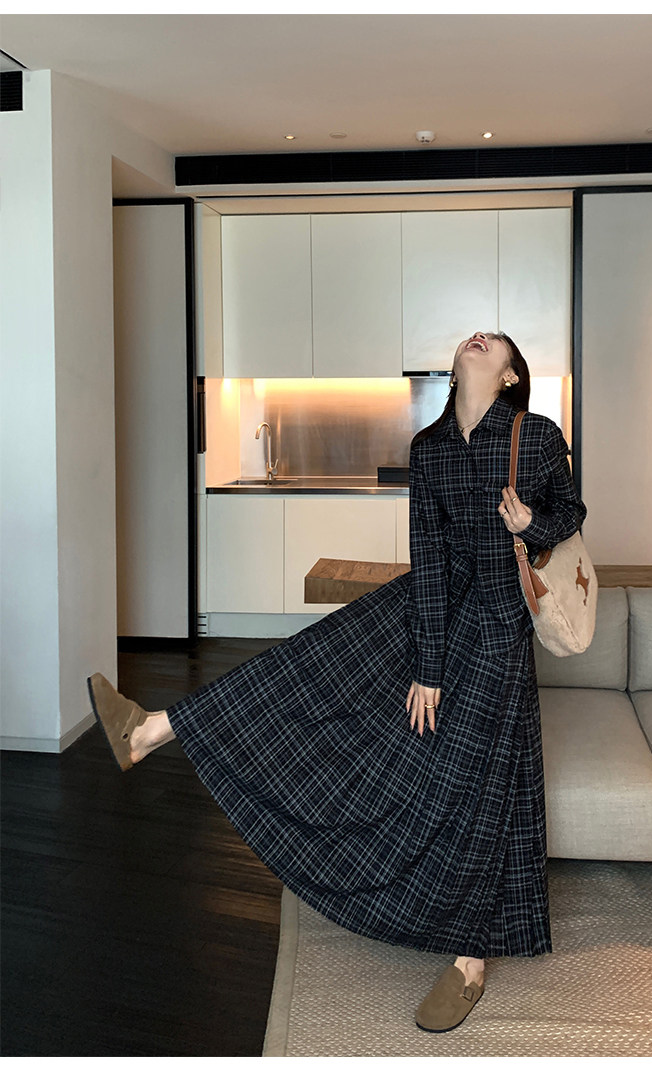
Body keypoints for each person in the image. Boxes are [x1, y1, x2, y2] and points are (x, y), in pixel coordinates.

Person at [88, 329, 587, 1034]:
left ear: (509, 375)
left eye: (494, 341)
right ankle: (149, 729)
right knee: (311, 661)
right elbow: (427, 553)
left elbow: (572, 514)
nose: (479, 338)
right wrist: (428, 665)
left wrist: (532, 521)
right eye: (473, 337)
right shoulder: (429, 447)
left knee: (479, 778)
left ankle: (469, 960)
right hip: (433, 605)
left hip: (501, 624)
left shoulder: (534, 435)